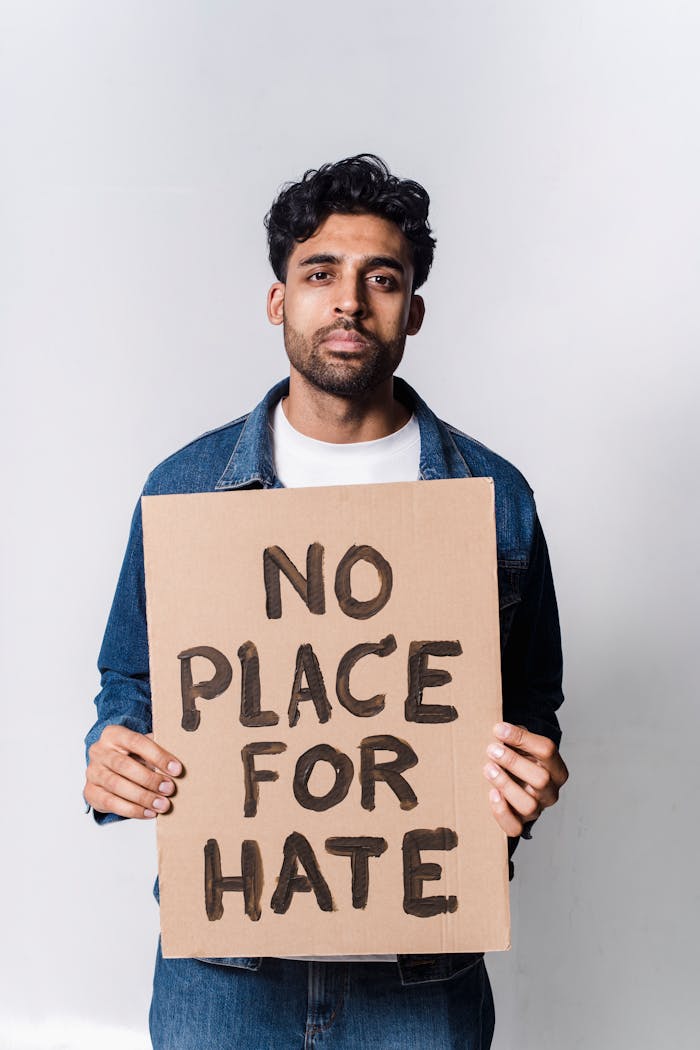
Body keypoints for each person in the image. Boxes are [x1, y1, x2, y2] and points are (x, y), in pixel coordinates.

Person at [84, 154, 568, 1050]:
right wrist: (112, 755)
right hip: (225, 974)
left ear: (413, 311)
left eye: (382, 279)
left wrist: (531, 772)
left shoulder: (495, 498)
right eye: (320, 274)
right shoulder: (185, 491)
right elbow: (132, 677)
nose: (349, 301)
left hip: (424, 971)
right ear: (279, 302)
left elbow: (530, 697)